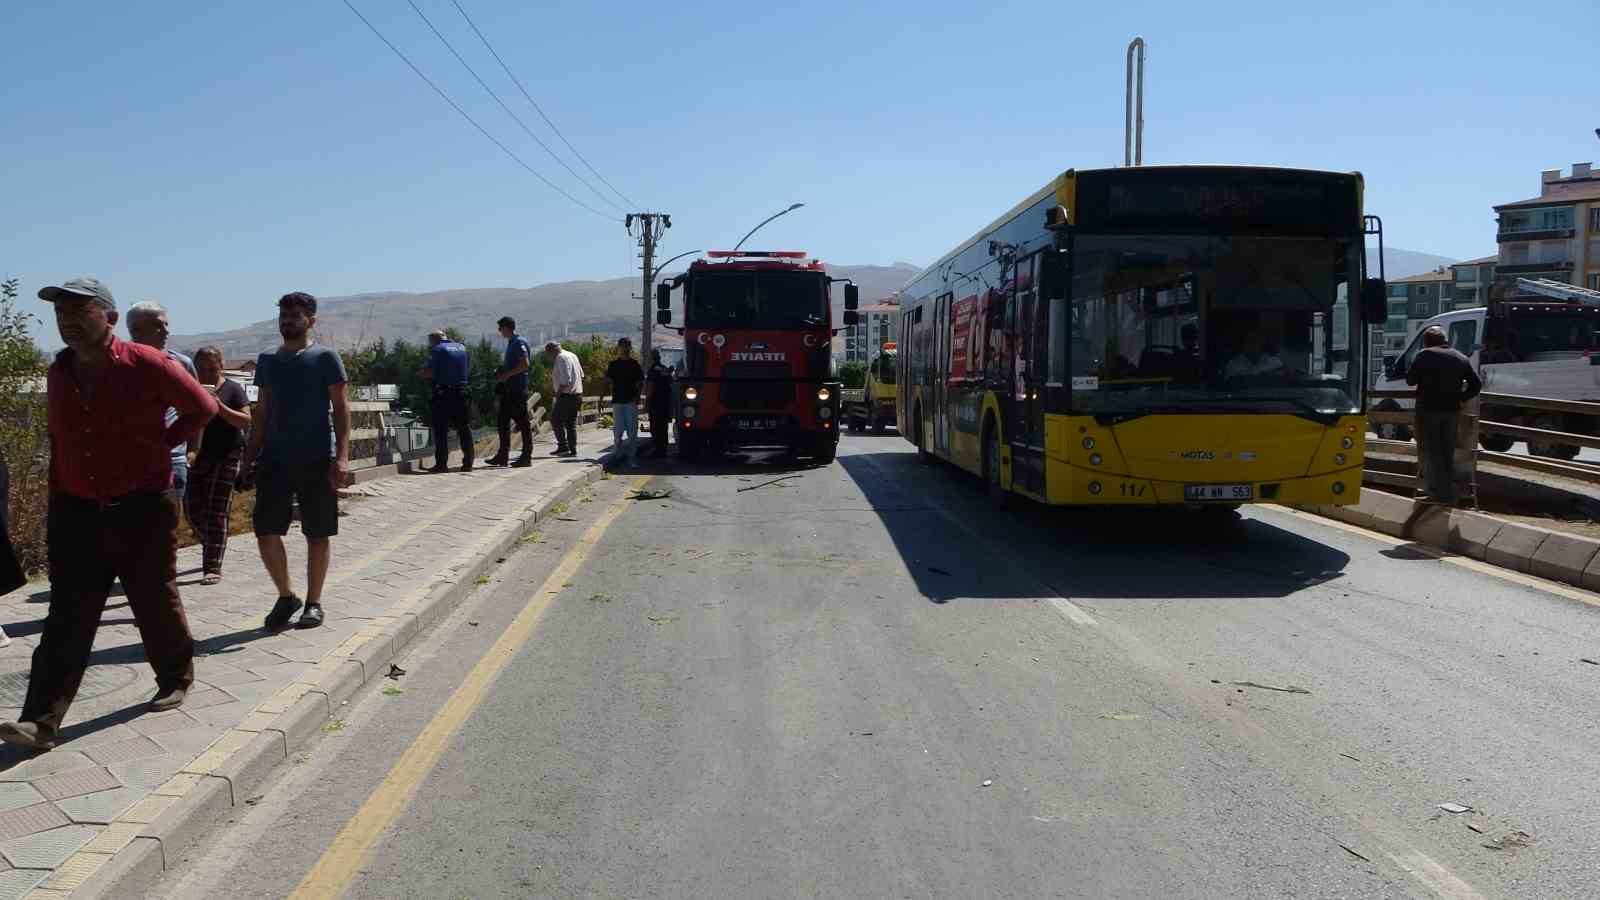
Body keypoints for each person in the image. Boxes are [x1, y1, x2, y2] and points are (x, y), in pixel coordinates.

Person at [0, 277, 217, 750]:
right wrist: (58, 498)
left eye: (80, 311)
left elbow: (202, 407)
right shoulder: (60, 372)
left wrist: (162, 443)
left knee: (152, 597)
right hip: (76, 509)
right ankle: (40, 721)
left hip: (143, 503)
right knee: (67, 614)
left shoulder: (148, 363)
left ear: (111, 318)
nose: (68, 321)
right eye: (61, 314)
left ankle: (176, 676)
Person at [242, 292, 350, 632]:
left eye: (296, 315)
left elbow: (342, 409)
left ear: (311, 321)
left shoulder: (325, 358)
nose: (288, 320)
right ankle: (287, 595)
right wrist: (248, 458)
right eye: (285, 315)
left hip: (316, 457)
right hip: (274, 459)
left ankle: (314, 602)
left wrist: (342, 457)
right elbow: (260, 414)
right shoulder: (267, 361)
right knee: (265, 532)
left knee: (317, 533)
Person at [186, 347, 252, 584]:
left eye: (212, 369)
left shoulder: (233, 389)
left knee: (217, 510)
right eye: (202, 369)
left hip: (228, 454)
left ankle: (212, 566)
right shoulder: (190, 387)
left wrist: (219, 407)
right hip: (198, 456)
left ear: (221, 366)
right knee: (192, 510)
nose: (207, 374)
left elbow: (245, 421)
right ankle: (214, 543)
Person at [126, 301, 197, 513]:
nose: (166, 330)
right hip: (130, 464)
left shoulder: (181, 364)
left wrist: (193, 451)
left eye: (166, 324)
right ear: (136, 329)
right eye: (158, 325)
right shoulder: (120, 365)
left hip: (173, 462)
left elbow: (198, 408)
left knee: (167, 533)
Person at [1406, 325, 1482, 504]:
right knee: (1446, 451)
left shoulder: (1424, 355)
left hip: (1428, 410)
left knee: (1431, 452)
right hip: (1452, 411)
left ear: (1426, 342)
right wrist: (1461, 398)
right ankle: (1445, 492)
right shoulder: (1460, 357)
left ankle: (1439, 494)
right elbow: (1476, 385)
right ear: (1444, 340)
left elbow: (1410, 380)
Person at [421, 331, 473, 473]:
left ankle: (441, 464)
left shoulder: (437, 349)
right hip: (461, 391)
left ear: (433, 340)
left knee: (441, 429)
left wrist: (423, 373)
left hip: (443, 393)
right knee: (464, 428)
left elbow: (429, 372)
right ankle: (468, 462)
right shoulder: (462, 348)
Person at [487, 317, 533, 468]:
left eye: (500, 329)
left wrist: (507, 375)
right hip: (509, 389)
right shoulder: (512, 343)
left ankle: (526, 456)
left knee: (522, 423)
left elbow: (525, 364)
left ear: (507, 328)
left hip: (516, 389)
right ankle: (502, 455)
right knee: (502, 423)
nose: (499, 332)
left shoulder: (519, 343)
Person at [605, 338, 644, 467]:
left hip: (630, 401)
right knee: (618, 429)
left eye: (627, 346)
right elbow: (609, 382)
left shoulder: (634, 364)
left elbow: (640, 383)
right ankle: (616, 453)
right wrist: (603, 397)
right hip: (617, 401)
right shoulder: (613, 364)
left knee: (632, 431)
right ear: (619, 347)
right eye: (623, 346)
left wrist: (637, 397)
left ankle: (632, 458)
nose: (625, 348)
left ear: (630, 347)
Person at [545, 341, 583, 457]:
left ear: (551, 351)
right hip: (577, 394)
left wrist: (558, 394)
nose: (550, 358)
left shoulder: (561, 358)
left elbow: (565, 381)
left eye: (549, 354)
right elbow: (582, 375)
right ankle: (572, 449)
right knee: (570, 423)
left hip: (566, 395)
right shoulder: (572, 355)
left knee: (555, 420)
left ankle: (563, 446)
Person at [645, 349, 674, 458]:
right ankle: (663, 450)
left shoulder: (652, 370)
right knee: (663, 427)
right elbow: (671, 382)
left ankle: (657, 451)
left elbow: (651, 387)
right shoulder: (665, 369)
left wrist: (646, 402)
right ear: (659, 358)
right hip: (665, 403)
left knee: (655, 427)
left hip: (655, 403)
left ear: (652, 358)